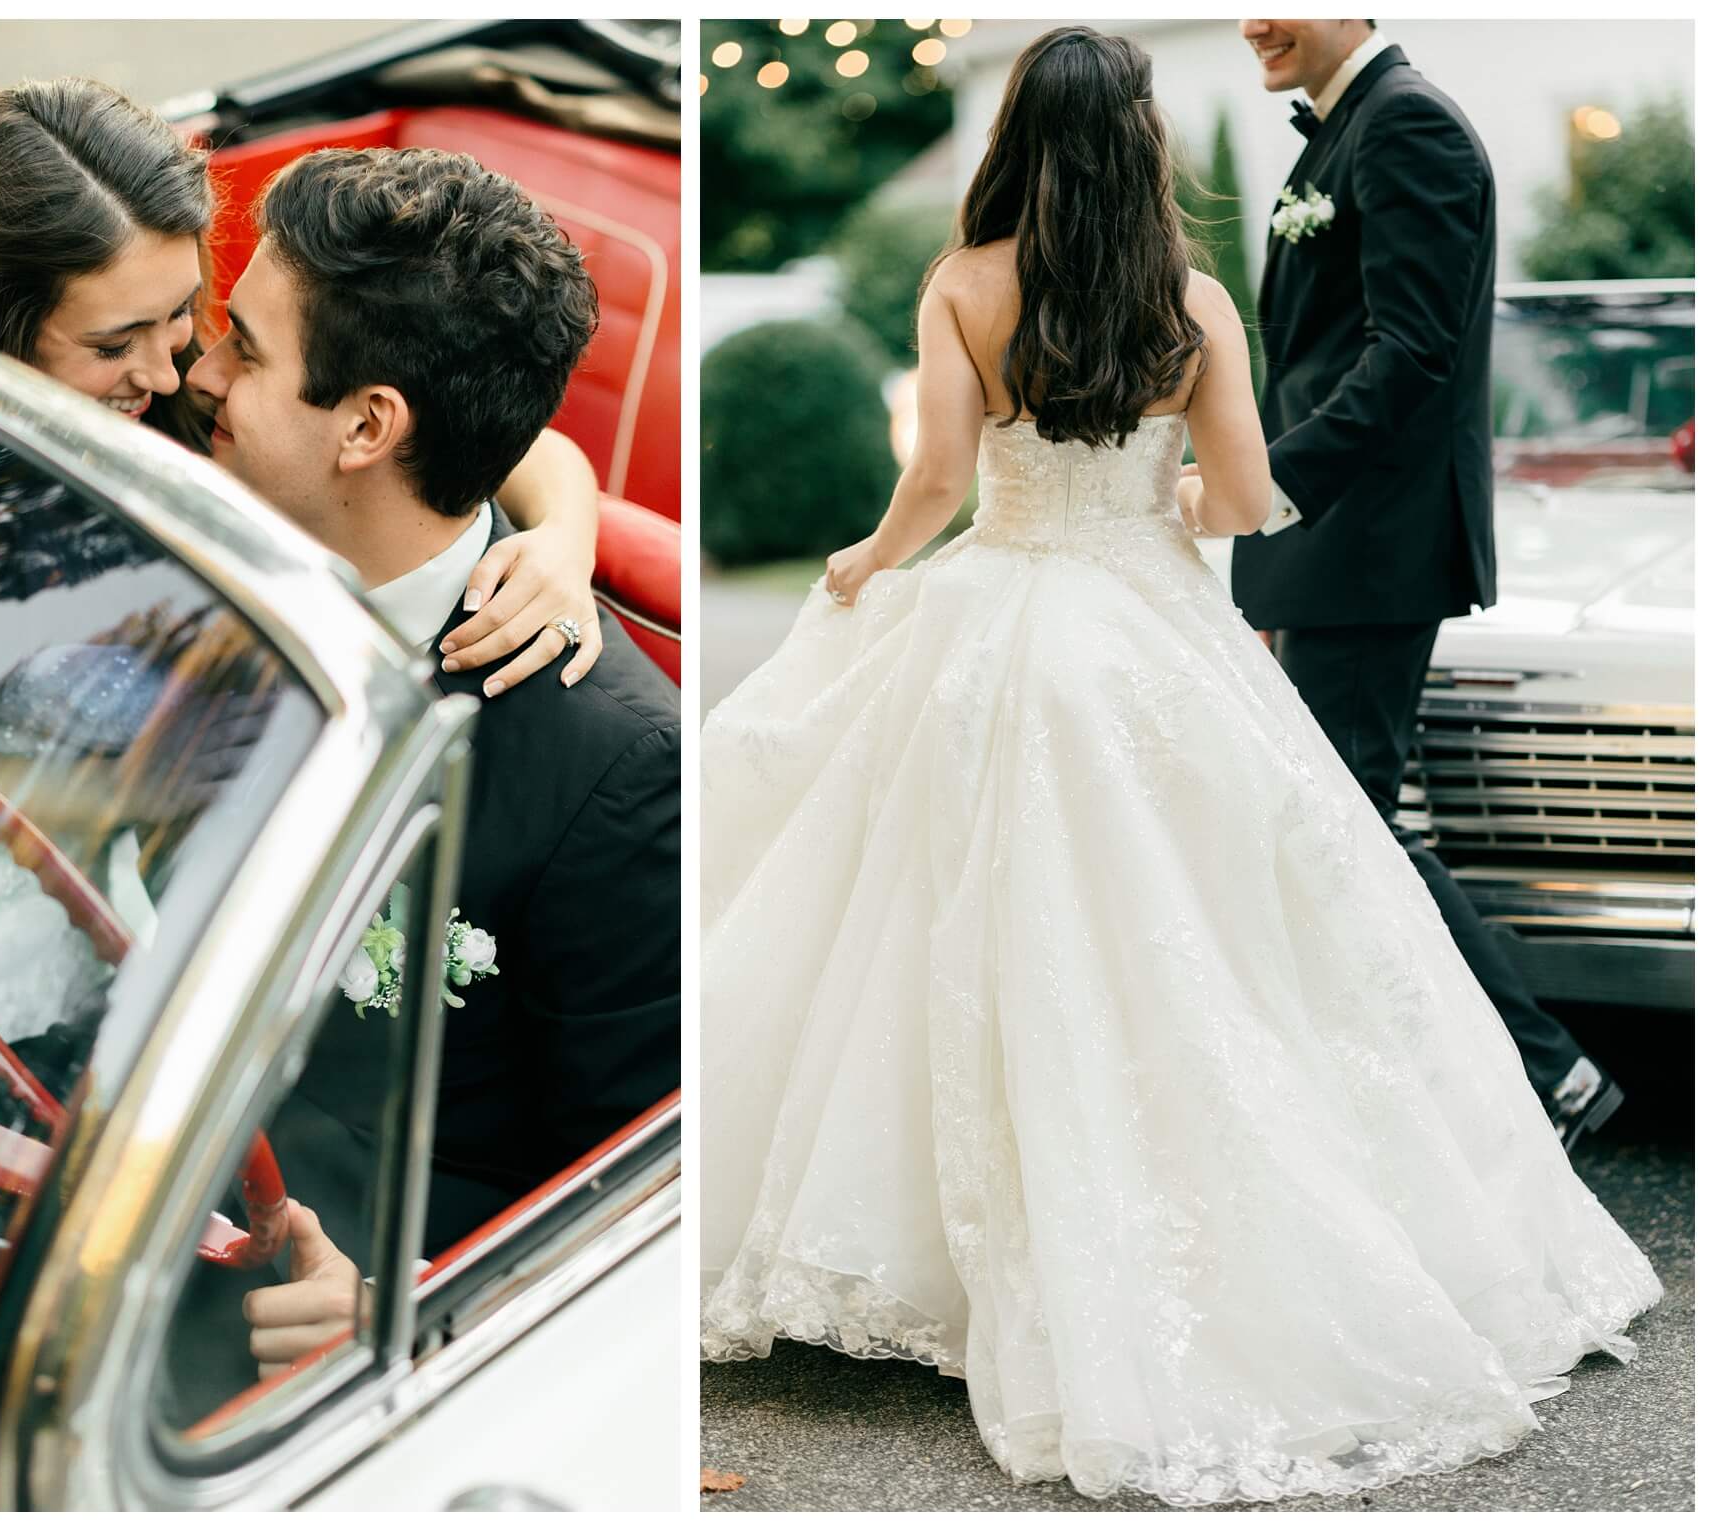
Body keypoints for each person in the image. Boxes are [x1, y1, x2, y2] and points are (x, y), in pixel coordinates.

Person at [697, 26, 1657, 1506]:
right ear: (1141, 142)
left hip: (1001, 621)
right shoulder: (1192, 298)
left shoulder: (961, 283)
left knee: (955, 918)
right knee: (1210, 929)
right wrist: (1164, 500)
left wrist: (870, 556)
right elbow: (1253, 493)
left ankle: (945, 1239)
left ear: (1015, 134)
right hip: (1147, 632)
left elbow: (941, 483)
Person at [180, 147, 679, 1381]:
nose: (196, 371)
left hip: (317, 1305)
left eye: (242, 347)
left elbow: (636, 1194)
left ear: (366, 424)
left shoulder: (616, 772)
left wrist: (395, 1299)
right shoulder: (215, 517)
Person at [1201, 20, 1620, 1143]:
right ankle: (1440, 1076)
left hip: (1367, 546)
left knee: (1345, 821)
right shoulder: (1344, 130)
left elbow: (1410, 354)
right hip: (1324, 546)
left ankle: (1547, 1076)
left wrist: (1264, 483)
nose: (1252, 20)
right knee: (1331, 820)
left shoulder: (1406, 124)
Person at [0, 75, 605, 696]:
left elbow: (486, 439)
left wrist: (565, 537)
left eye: (177, 312)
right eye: (110, 344)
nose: (173, 375)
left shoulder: (196, 401)